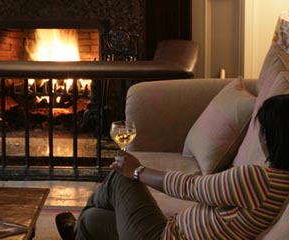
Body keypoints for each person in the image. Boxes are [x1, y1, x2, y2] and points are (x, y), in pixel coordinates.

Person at [56, 94, 289, 240]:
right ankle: (79, 228)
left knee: (121, 178)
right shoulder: (278, 182)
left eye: (262, 131)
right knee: (92, 220)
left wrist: (139, 171)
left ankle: (82, 220)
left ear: (271, 137)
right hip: (169, 229)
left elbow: (192, 188)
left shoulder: (259, 179)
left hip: (162, 236)